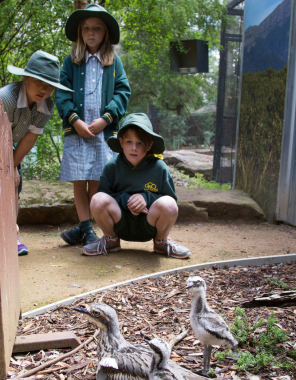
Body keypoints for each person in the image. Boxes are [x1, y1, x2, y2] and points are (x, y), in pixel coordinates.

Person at [55, 3, 131, 247]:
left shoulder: (113, 62)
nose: (91, 33)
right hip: (77, 131)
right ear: (80, 31)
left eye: (97, 28)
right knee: (79, 178)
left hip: (102, 132)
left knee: (97, 177)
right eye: (86, 28)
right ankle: (86, 229)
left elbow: (122, 92)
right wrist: (74, 120)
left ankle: (84, 226)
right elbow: (61, 94)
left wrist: (106, 118)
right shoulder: (71, 61)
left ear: (105, 32)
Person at [81, 113, 191, 259]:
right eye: (129, 142)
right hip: (121, 224)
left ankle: (161, 243)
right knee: (97, 200)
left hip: (149, 224)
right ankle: (110, 240)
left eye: (140, 143)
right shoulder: (111, 167)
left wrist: (145, 197)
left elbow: (170, 200)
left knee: (169, 205)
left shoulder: (159, 168)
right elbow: (104, 198)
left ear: (150, 144)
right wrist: (128, 201)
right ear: (120, 142)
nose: (134, 148)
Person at [0, 50, 73, 256]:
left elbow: (29, 138)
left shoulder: (46, 106)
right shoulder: (5, 98)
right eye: (39, 81)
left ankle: (10, 235)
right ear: (25, 77)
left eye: (49, 85)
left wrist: (12, 167)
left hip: (10, 148)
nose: (44, 88)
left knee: (15, 185)